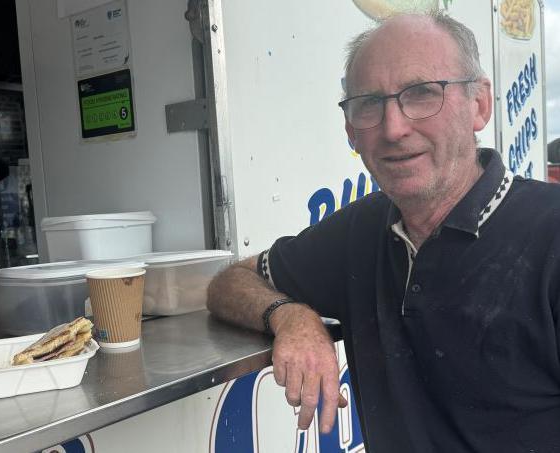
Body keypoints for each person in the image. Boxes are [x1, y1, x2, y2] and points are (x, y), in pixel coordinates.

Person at [207, 10, 560, 453]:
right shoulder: (360, 230)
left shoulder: (550, 236)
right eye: (370, 104)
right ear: (350, 131)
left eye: (422, 93)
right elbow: (230, 282)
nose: (394, 128)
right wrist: (290, 315)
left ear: (480, 105)